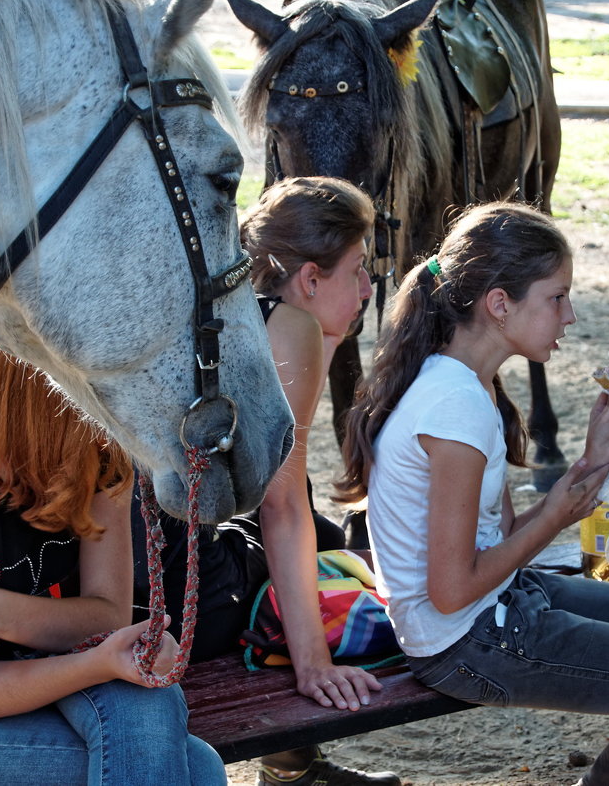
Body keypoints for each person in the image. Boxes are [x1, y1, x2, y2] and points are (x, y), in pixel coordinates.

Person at [335, 202, 609, 785]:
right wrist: (557, 514)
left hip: (502, 604)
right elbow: (453, 588)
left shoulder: (468, 382)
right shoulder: (454, 406)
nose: (571, 315)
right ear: (500, 303)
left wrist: (585, 469)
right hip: (466, 642)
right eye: (557, 297)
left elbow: (498, 538)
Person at [0, 331, 224, 785]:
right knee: (197, 770)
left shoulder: (103, 452)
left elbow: (107, 615)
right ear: (54, 399)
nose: (126, 422)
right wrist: (98, 660)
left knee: (155, 712)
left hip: (42, 658)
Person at [133, 176, 400, 786]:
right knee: (336, 557)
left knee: (327, 537)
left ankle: (291, 766)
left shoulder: (237, 314)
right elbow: (282, 506)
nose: (366, 289)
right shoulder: (289, 328)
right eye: (357, 271)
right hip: (189, 592)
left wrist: (329, 336)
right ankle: (289, 771)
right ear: (309, 278)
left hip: (147, 566)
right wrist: (313, 664)